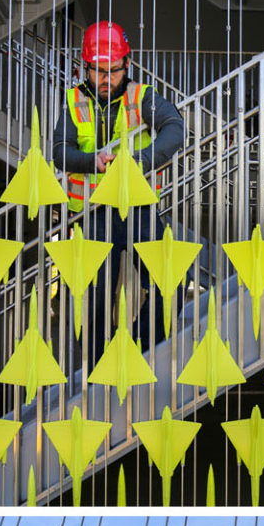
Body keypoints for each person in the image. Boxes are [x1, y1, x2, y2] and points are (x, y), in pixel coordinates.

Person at [53, 19, 185, 363]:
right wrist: (92, 161)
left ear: (127, 64)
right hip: (93, 215)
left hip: (138, 208)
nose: (106, 78)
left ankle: (134, 351)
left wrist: (139, 161)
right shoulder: (74, 100)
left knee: (170, 282)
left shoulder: (142, 96)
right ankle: (100, 367)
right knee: (94, 300)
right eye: (98, 71)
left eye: (113, 70)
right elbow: (59, 151)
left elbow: (174, 128)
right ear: (86, 67)